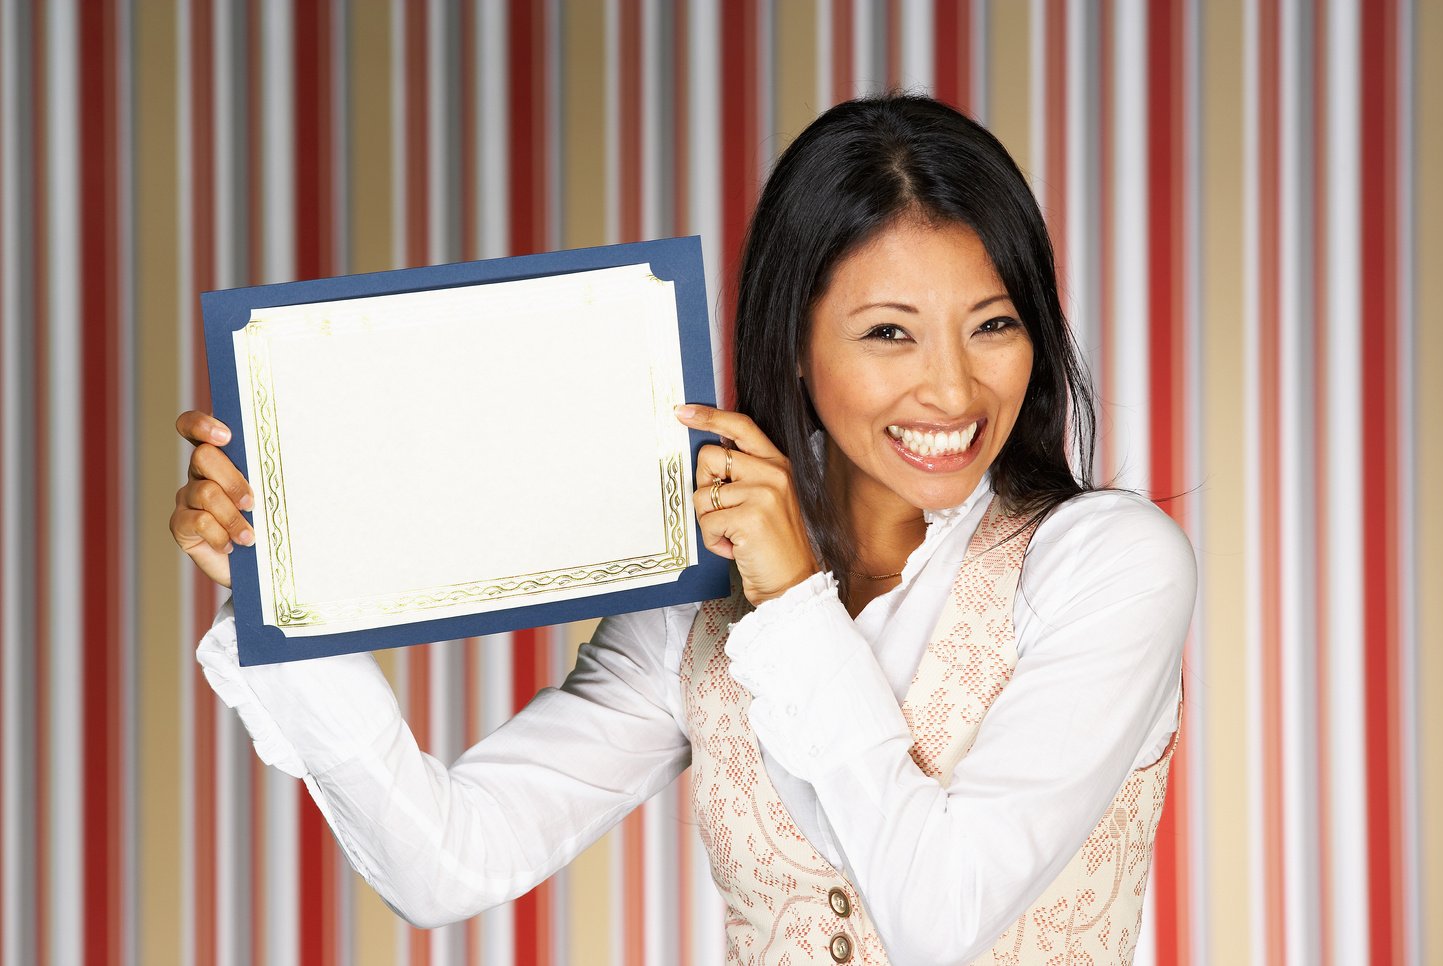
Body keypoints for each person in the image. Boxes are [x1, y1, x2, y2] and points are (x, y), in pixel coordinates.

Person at [170, 94, 1195, 965]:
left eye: (994, 323)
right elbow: (446, 865)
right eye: (887, 332)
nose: (951, 386)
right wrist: (276, 583)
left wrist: (794, 600)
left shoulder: (1103, 562)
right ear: (793, 343)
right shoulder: (691, 606)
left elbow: (943, 913)